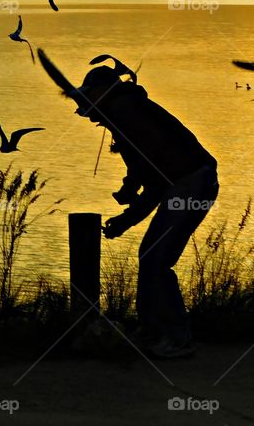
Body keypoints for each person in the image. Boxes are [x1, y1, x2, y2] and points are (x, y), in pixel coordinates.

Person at [73, 65, 218, 358]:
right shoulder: (125, 113)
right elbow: (148, 173)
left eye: (89, 97)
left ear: (102, 93)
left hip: (191, 183)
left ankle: (176, 338)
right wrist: (128, 212)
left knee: (156, 259)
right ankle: (154, 331)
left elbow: (152, 178)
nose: (87, 111)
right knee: (151, 256)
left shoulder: (125, 111)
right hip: (189, 183)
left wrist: (130, 203)